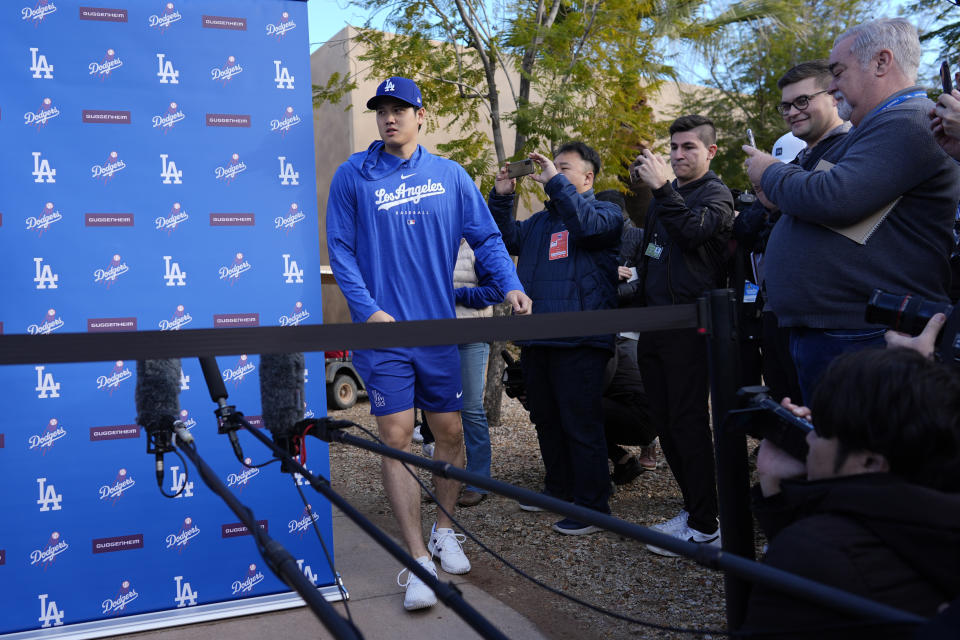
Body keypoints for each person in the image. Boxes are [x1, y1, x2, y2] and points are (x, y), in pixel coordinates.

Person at [325, 76, 532, 611]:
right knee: (394, 437)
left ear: (423, 115)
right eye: (382, 109)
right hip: (384, 333)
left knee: (451, 434)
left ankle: (444, 529)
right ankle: (416, 560)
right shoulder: (354, 175)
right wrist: (368, 310)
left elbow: (485, 236)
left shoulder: (450, 175)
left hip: (439, 331)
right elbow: (341, 250)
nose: (390, 117)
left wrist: (508, 282)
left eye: (401, 108)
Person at [743, 18, 960, 402]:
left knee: (862, 457)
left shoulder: (908, 120)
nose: (831, 85)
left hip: (862, 335)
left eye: (838, 71)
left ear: (881, 62)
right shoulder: (875, 128)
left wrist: (770, 170)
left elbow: (833, 197)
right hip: (840, 332)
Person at [741, 347, 960, 637]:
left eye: (820, 430)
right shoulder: (934, 520)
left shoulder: (811, 553)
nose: (808, 436)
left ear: (869, 461)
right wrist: (777, 490)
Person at [488, 141, 622, 535]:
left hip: (581, 339)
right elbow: (503, 240)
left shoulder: (605, 213)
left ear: (588, 177)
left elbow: (586, 226)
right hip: (538, 337)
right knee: (545, 419)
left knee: (580, 423)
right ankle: (559, 489)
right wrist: (502, 196)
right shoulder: (540, 222)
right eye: (551, 169)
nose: (553, 174)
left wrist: (555, 185)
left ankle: (593, 507)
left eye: (563, 169)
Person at [620, 115, 734, 554]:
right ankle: (693, 511)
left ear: (710, 152)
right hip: (655, 326)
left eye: (689, 147)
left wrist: (664, 189)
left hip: (692, 327)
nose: (678, 154)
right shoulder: (662, 202)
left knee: (688, 423)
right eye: (674, 147)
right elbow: (653, 255)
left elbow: (692, 233)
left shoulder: (715, 194)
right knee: (666, 422)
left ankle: (707, 523)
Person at [735, 61, 849, 404]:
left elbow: (825, 201)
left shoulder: (850, 148)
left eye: (802, 101)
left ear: (834, 96)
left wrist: (771, 173)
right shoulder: (805, 159)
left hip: (834, 326)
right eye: (786, 105)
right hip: (791, 320)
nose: (792, 112)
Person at [452, 239, 501, 507]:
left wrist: (455, 294)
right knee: (440, 411)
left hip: (471, 336)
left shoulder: (477, 247)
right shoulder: (431, 240)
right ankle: (447, 480)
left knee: (471, 409)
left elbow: (496, 291)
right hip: (436, 337)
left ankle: (479, 480)